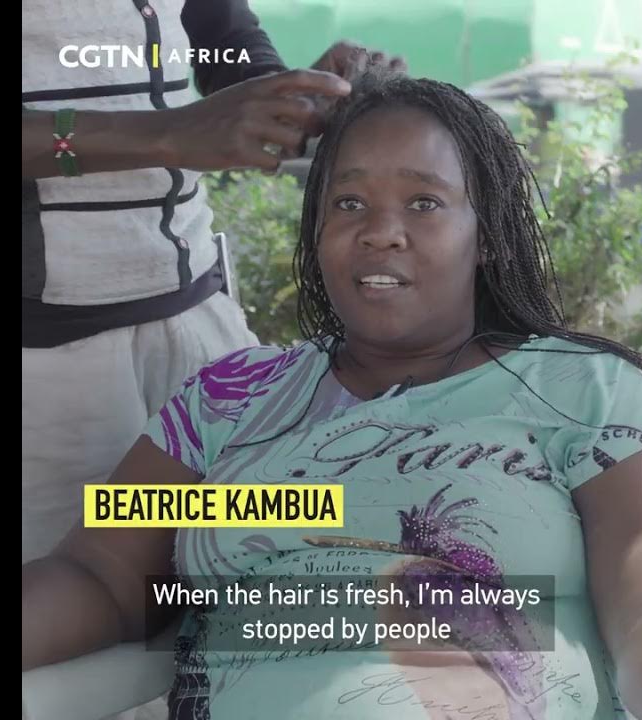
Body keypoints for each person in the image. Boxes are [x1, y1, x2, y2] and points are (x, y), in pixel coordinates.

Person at [22, 69, 642, 720]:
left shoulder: (583, 389)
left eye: (424, 202)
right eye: (349, 203)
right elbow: (103, 574)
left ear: (487, 235)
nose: (381, 231)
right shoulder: (224, 402)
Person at [22, 0, 404, 563]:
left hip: (202, 338)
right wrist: (169, 133)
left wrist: (287, 97)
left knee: (235, 567)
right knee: (77, 595)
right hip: (49, 369)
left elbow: (218, 34)